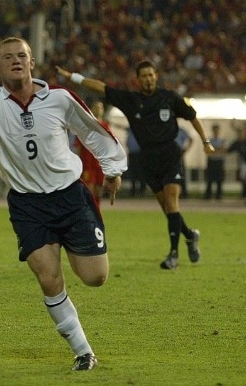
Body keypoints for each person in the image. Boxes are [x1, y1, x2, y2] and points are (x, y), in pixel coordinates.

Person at [0, 0, 126, 370]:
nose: (16, 60)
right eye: (8, 57)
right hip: (28, 204)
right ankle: (83, 352)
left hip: (71, 197)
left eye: (22, 55)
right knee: (49, 278)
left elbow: (91, 130)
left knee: (95, 277)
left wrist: (112, 167)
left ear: (33, 62)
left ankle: (76, 253)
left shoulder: (59, 99)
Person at [56, 60, 213, 270]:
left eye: (151, 75)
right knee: (167, 209)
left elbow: (193, 117)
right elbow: (101, 87)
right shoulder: (131, 100)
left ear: (156, 76)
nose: (148, 79)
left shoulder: (169, 98)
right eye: (144, 76)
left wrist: (206, 141)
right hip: (148, 159)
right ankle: (190, 235)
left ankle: (173, 255)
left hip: (170, 155)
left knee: (172, 202)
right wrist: (73, 77)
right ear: (138, 79)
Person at [73, 100, 108, 207]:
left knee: (98, 192)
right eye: (96, 107)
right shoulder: (85, 125)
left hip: (100, 166)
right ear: (91, 109)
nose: (98, 109)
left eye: (100, 107)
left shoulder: (105, 126)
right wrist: (77, 164)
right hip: (88, 165)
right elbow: (78, 147)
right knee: (89, 192)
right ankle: (89, 214)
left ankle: (97, 214)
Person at [204, 124, 226, 200]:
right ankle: (208, 195)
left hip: (219, 161)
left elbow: (223, 150)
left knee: (219, 179)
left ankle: (219, 195)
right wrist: (217, 150)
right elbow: (208, 150)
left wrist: (214, 150)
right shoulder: (209, 140)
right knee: (210, 179)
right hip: (211, 161)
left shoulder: (222, 140)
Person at [174, 126, 193, 198]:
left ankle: (183, 192)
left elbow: (191, 139)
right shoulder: (167, 129)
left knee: (181, 172)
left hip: (178, 152)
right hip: (169, 152)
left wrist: (186, 149)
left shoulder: (181, 131)